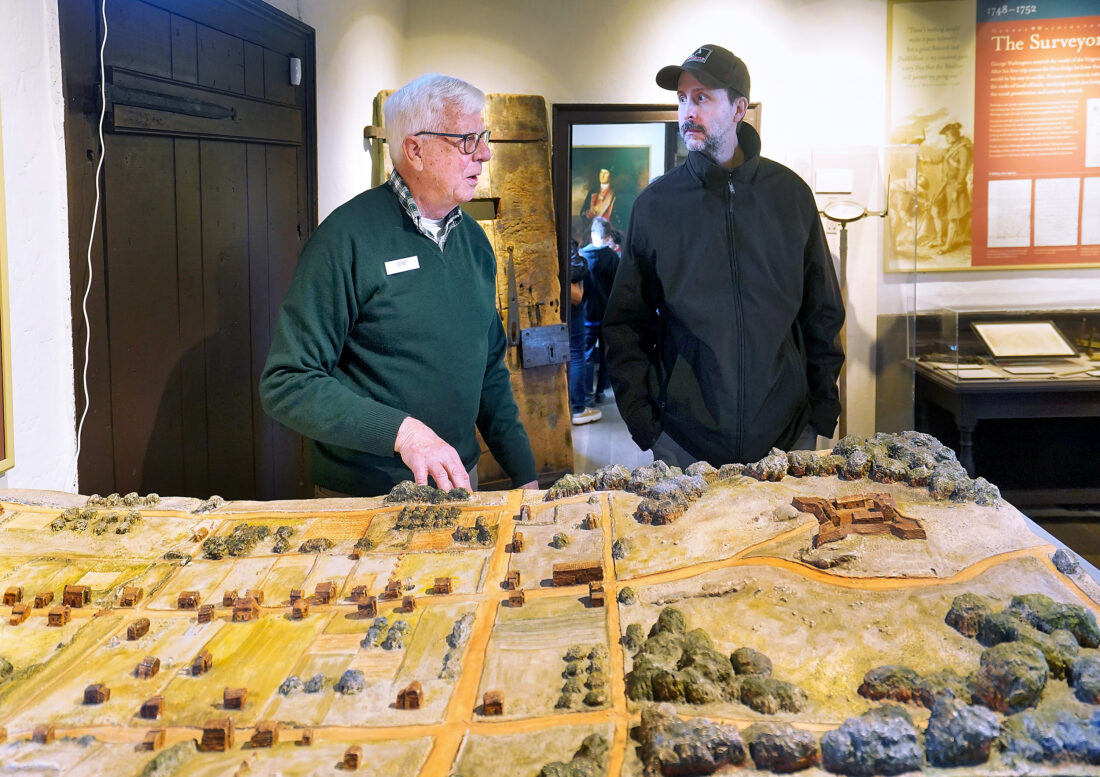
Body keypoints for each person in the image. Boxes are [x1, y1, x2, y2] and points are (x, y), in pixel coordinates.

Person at [260, 73, 538, 497]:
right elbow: (288, 382)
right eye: (467, 140)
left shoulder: (475, 243)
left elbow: (488, 371)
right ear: (415, 150)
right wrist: (403, 433)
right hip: (366, 495)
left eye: (482, 138)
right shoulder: (346, 239)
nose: (484, 154)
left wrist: (524, 473)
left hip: (459, 483)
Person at [603, 44, 845, 469]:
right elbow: (626, 323)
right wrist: (644, 421)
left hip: (787, 436)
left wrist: (821, 410)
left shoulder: (790, 196)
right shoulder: (656, 206)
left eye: (702, 98)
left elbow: (821, 311)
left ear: (738, 109)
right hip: (685, 441)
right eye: (682, 99)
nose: (687, 112)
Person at [579, 216, 620, 409]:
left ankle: (586, 394)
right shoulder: (612, 258)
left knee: (586, 355)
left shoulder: (582, 256)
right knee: (605, 354)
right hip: (607, 315)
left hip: (587, 315)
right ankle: (600, 391)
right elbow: (617, 287)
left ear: (592, 234)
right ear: (608, 236)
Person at [568, 240, 600, 425]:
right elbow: (578, 269)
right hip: (573, 309)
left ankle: (573, 406)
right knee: (576, 356)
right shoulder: (566, 242)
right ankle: (578, 408)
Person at [930, 121, 973, 254]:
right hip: (945, 185)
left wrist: (958, 189)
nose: (947, 139)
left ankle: (948, 245)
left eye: (948, 136)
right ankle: (939, 239)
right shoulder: (950, 149)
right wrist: (923, 158)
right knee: (935, 209)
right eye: (946, 136)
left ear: (955, 135)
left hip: (955, 186)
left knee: (953, 217)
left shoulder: (963, 150)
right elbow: (937, 159)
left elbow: (963, 170)